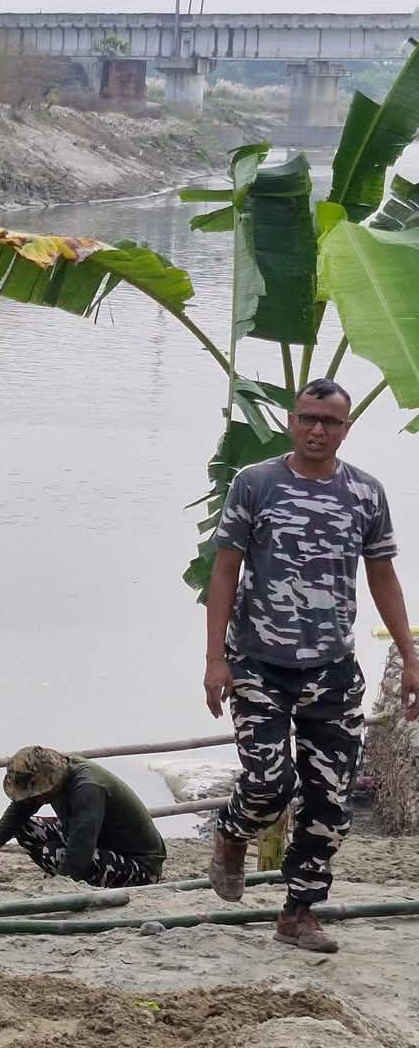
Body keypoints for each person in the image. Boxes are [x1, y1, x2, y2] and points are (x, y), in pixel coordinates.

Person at [205, 377, 419, 954]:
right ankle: (232, 832)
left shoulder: (366, 494)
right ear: (292, 422)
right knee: (270, 783)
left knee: (331, 797)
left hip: (331, 669)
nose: (318, 430)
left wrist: (410, 654)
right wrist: (215, 660)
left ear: (346, 429)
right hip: (258, 664)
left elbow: (382, 576)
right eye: (308, 419)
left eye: (330, 422)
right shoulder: (256, 484)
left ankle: (299, 911)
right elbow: (224, 571)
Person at [0, 746, 166, 887]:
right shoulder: (61, 774)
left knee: (52, 854)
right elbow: (20, 810)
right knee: (25, 828)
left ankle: (68, 879)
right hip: (94, 841)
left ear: (52, 780)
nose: (36, 797)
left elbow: (81, 846)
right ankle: (64, 875)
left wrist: (61, 885)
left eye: (37, 791)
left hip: (139, 866)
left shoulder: (87, 788)